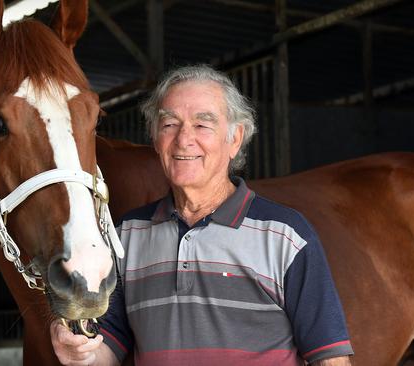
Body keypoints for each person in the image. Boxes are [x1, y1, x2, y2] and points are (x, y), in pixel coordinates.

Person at [50, 65, 353, 366]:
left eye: (202, 124)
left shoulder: (287, 236)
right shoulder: (126, 235)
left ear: (235, 139)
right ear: (156, 139)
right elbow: (107, 350)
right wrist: (79, 353)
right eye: (169, 124)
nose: (183, 139)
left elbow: (331, 359)